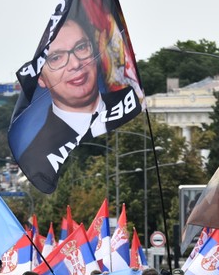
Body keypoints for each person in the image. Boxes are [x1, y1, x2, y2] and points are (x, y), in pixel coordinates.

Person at [17, 19, 142, 181]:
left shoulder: (133, 100)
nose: (75, 64)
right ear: (41, 78)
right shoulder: (39, 153)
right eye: (56, 58)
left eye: (81, 47)